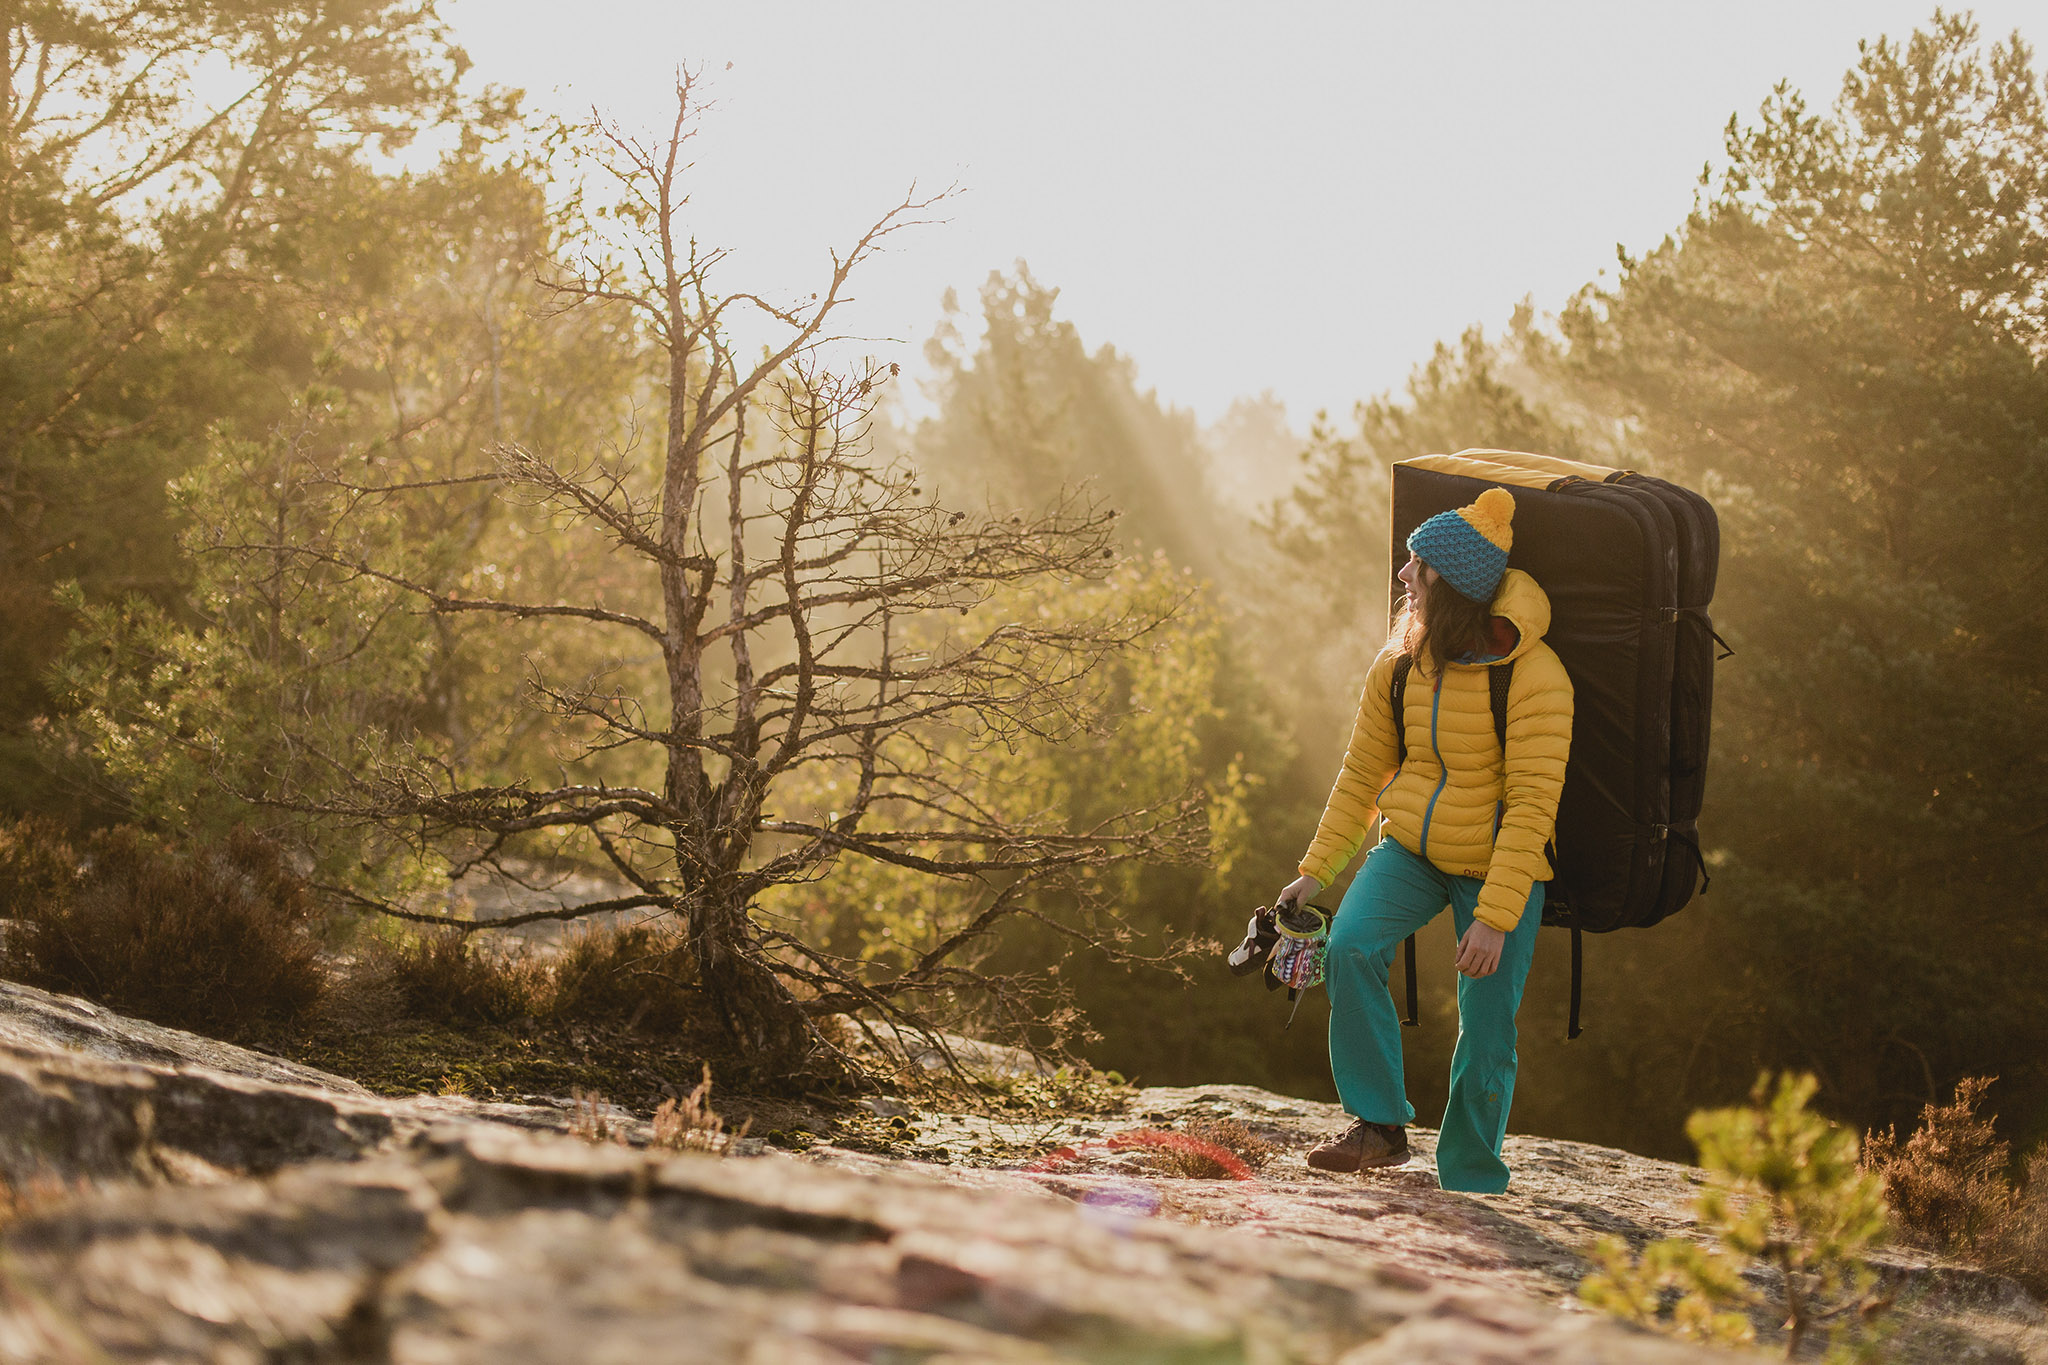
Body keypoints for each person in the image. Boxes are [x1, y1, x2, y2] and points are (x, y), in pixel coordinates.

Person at [1276, 487, 1573, 1194]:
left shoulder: (1536, 676)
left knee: (1489, 1019)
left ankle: (1470, 1175)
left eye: (1415, 564)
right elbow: (1360, 774)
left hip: (1500, 863)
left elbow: (1534, 804)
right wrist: (1314, 873)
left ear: (1449, 582)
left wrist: (1497, 916)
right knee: (1348, 946)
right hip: (1411, 849)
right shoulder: (1401, 662)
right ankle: (1378, 1127)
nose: (1404, 574)